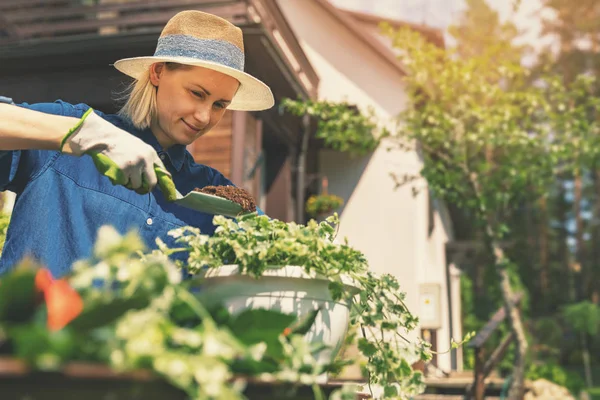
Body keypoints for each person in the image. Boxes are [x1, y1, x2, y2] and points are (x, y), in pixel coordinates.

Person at [0, 10, 274, 278]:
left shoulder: (215, 199)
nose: (204, 116)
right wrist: (86, 134)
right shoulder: (73, 129)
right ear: (157, 73)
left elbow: (284, 246)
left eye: (219, 105)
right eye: (196, 93)